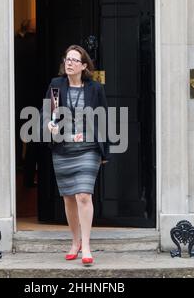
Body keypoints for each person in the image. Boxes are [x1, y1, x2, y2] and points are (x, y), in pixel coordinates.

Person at [41, 45, 111, 266]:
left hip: (88, 148)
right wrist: (49, 125)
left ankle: (87, 246)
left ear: (83, 66)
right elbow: (47, 112)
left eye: (74, 60)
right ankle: (75, 242)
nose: (69, 63)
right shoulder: (56, 86)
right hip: (63, 149)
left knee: (83, 195)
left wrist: (104, 151)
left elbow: (103, 119)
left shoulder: (94, 89)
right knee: (69, 198)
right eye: (67, 59)